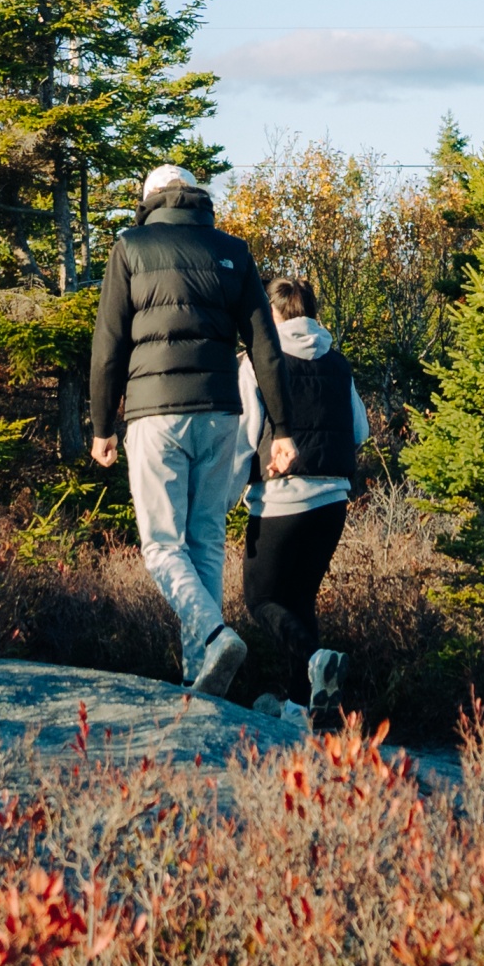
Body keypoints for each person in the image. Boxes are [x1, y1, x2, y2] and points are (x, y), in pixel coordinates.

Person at [85, 161, 295, 698]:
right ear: (193, 197)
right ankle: (196, 676)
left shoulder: (130, 247)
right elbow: (264, 348)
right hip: (223, 414)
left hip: (156, 416)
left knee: (160, 545)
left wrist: (102, 426)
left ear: (150, 199)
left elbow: (108, 346)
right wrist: (284, 428)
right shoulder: (234, 251)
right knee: (204, 542)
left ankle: (214, 634)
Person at [236, 273, 373, 714]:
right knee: (299, 601)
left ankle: (315, 661)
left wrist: (233, 485)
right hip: (332, 501)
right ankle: (299, 707)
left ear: (272, 313)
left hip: (281, 501)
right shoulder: (337, 362)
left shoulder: (258, 360)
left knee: (261, 598)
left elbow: (246, 433)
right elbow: (361, 430)